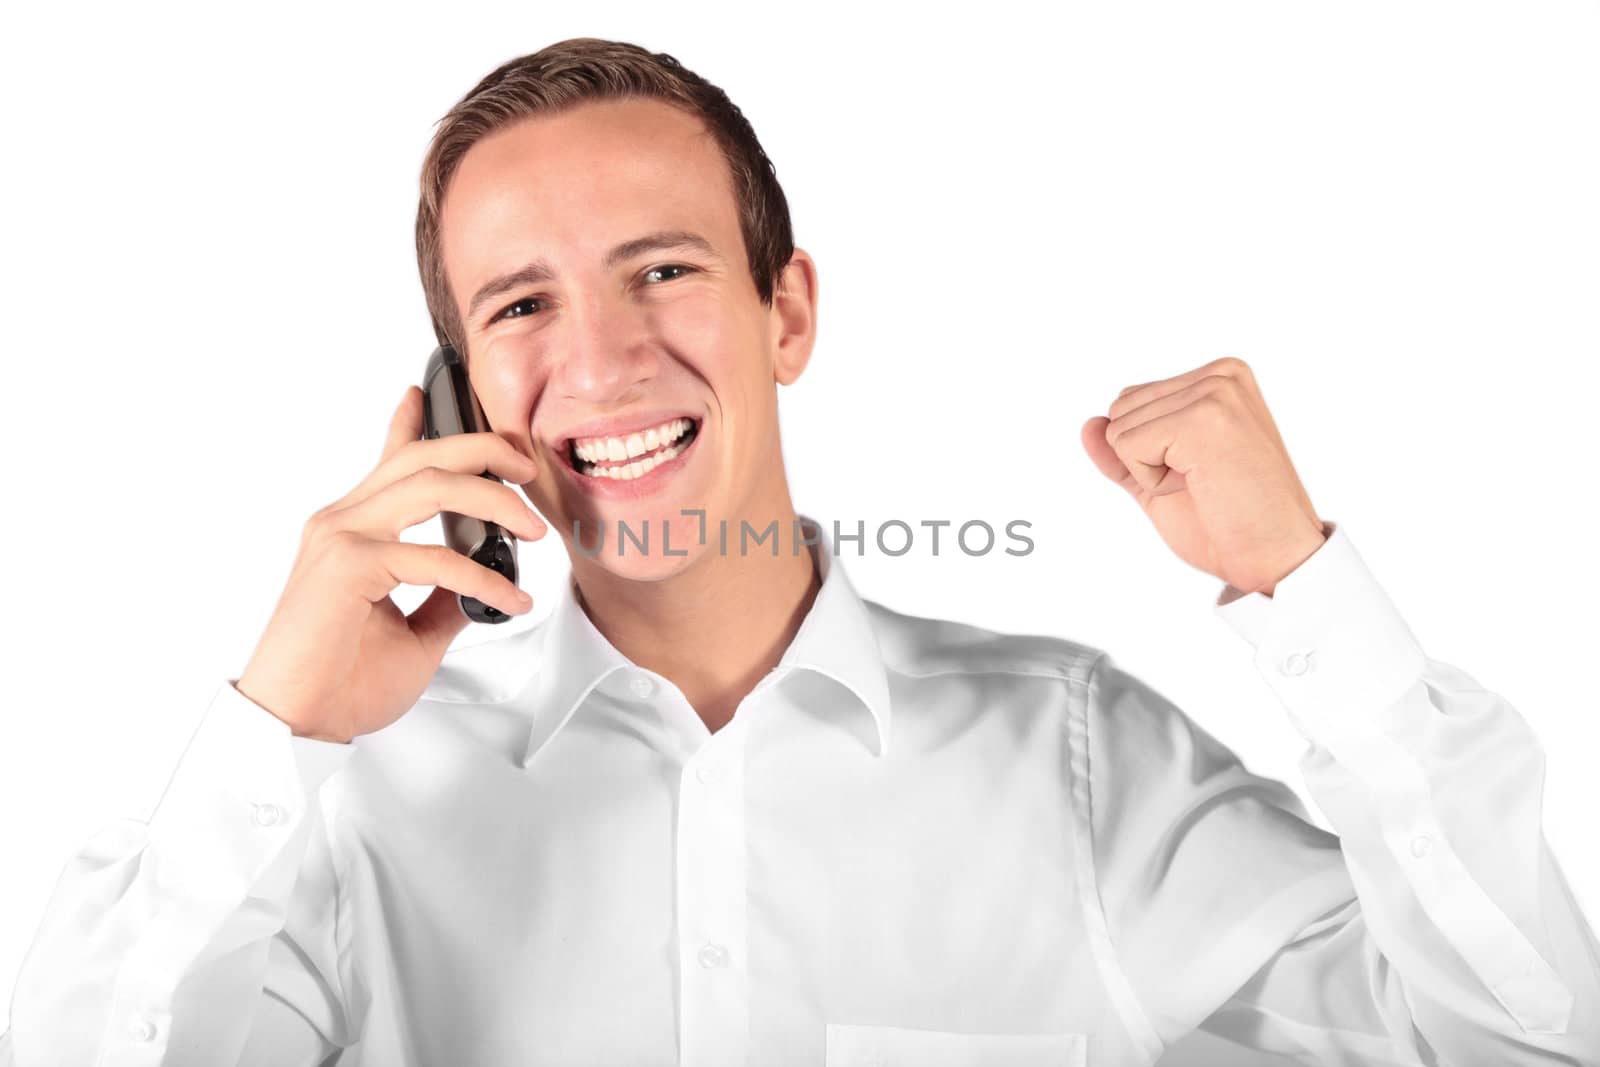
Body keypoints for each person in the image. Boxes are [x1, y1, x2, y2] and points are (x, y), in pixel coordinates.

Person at [2, 35, 1595, 1067]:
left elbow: (1526, 1045)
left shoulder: (1077, 762)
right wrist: (273, 720)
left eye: (663, 270)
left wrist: (1302, 590)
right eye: (521, 307)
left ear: (790, 312)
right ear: (460, 393)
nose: (605, 360)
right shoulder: (353, 823)